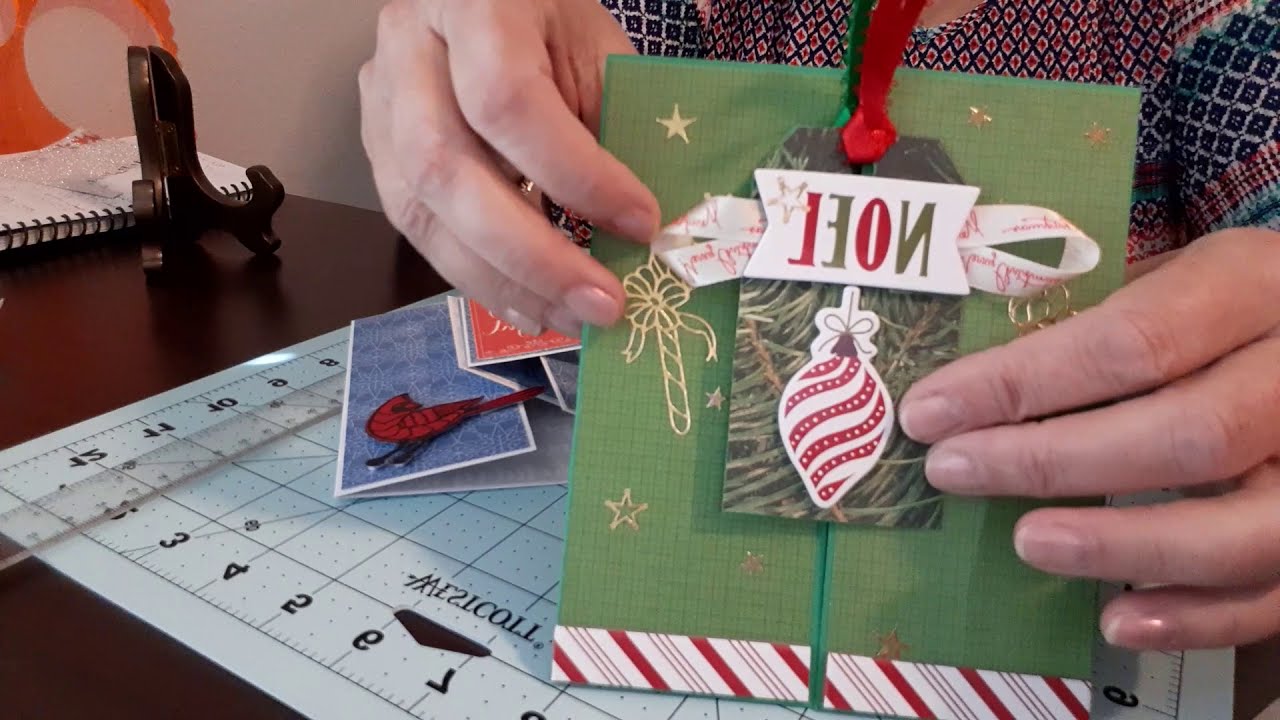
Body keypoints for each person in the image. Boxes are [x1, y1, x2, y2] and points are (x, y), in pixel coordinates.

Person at [358, 0, 1280, 653]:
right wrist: (464, 96)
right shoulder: (656, 16)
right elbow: (543, 176)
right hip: (663, 606)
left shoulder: (1209, 26)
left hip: (1012, 617)